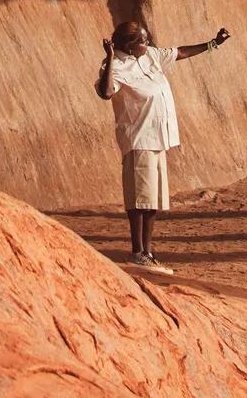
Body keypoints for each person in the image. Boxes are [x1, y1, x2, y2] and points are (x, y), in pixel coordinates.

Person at [98, 18, 232, 272]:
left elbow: (180, 52)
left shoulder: (150, 56)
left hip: (159, 139)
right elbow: (105, 93)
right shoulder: (115, 66)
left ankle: (147, 251)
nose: (148, 44)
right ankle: (137, 252)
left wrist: (213, 44)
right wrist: (110, 60)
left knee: (153, 200)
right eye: (143, 41)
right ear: (129, 45)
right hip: (139, 139)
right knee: (139, 201)